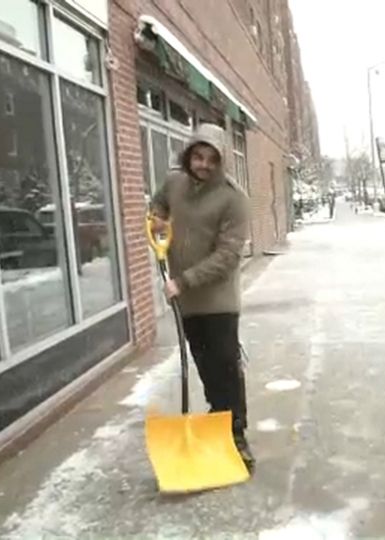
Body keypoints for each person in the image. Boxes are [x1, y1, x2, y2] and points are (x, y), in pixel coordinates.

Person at [150, 123, 254, 470]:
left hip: (218, 302)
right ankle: (217, 421)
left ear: (221, 161)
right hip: (187, 303)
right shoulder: (173, 183)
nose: (204, 164)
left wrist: (183, 281)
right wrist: (158, 221)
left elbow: (227, 257)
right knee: (205, 367)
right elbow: (158, 205)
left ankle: (236, 434)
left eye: (212, 159)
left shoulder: (233, 198)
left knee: (226, 366)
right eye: (198, 156)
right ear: (189, 154)